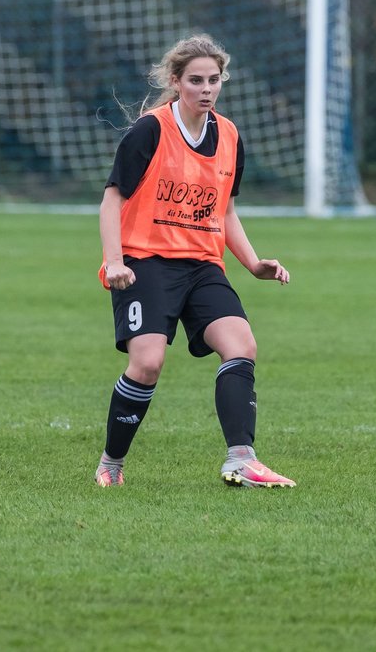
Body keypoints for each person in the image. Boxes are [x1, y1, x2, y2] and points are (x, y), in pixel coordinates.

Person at [94, 33, 295, 489]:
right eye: (196, 80)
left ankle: (241, 460)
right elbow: (112, 201)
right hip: (145, 262)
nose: (207, 89)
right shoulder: (150, 130)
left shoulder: (229, 135)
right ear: (176, 81)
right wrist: (115, 262)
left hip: (202, 265)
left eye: (215, 80)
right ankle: (111, 463)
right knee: (147, 363)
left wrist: (253, 263)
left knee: (241, 344)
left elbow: (225, 211)